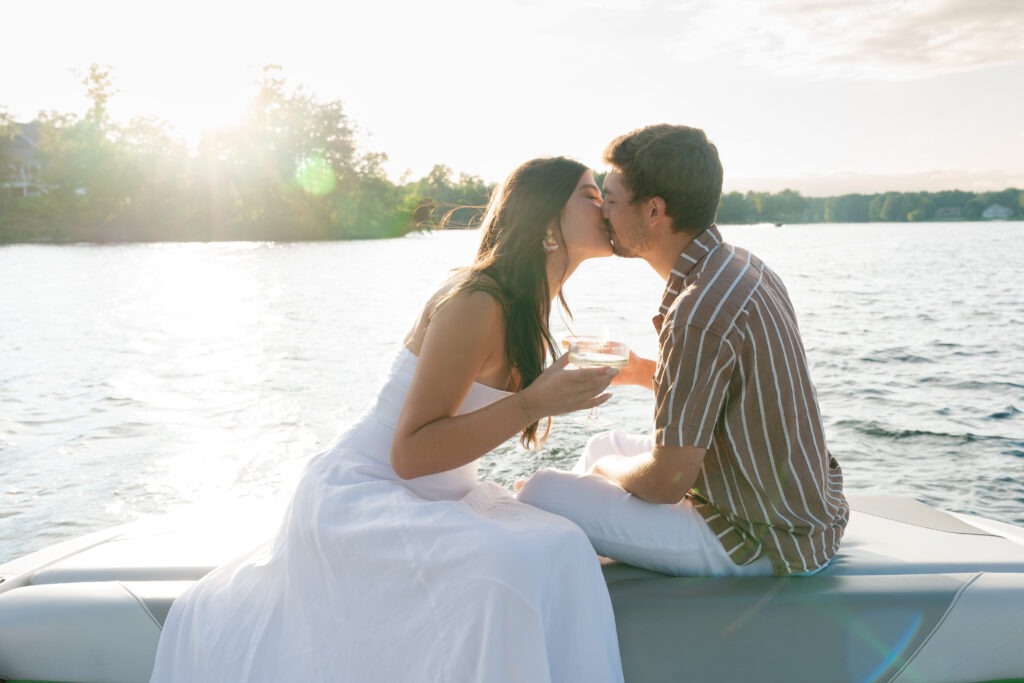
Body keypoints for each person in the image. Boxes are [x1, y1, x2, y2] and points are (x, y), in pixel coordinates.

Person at [149, 157, 626, 683]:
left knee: (565, 544)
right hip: (365, 493)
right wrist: (534, 403)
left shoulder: (530, 304)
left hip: (438, 495)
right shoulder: (479, 300)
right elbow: (410, 453)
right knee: (507, 567)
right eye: (590, 195)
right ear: (544, 218)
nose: (605, 207)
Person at [518, 125, 849, 577]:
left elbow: (666, 483)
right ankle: (589, 556)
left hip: (759, 538)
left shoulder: (697, 311)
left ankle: (570, 575)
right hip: (795, 509)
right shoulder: (741, 266)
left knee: (541, 491)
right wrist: (640, 372)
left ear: (654, 210)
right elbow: (729, 394)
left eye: (610, 200)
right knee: (600, 444)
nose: (602, 214)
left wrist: (609, 470)